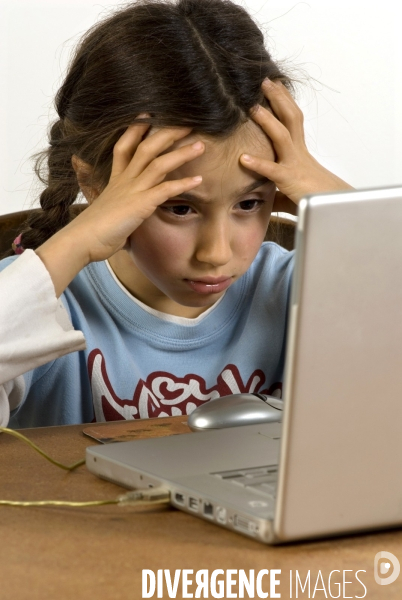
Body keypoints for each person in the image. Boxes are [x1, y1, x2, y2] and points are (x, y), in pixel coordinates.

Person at [0, 0, 351, 428]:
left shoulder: (303, 290)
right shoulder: (40, 305)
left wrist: (349, 214)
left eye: (248, 203)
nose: (216, 253)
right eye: (180, 208)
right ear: (95, 185)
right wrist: (74, 243)